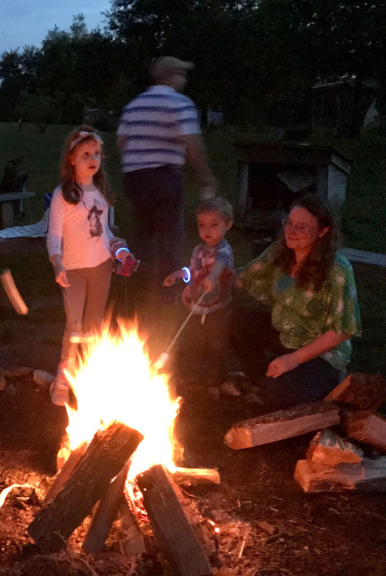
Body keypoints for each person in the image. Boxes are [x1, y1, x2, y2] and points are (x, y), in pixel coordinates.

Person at [232, 195, 361, 409]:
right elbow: (245, 277)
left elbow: (342, 330)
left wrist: (294, 359)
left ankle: (312, 384)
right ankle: (261, 377)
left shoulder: (337, 269)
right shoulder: (280, 251)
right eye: (289, 223)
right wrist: (212, 276)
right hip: (285, 336)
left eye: (301, 227)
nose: (291, 231)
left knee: (276, 393)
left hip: (321, 354)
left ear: (322, 231)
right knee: (234, 319)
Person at [117, 56, 218, 300]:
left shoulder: (134, 105)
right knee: (169, 238)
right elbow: (192, 142)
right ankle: (168, 294)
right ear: (171, 76)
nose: (184, 79)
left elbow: (121, 142)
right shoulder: (179, 103)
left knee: (140, 237)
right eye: (182, 74)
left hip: (134, 178)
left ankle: (133, 293)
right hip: (164, 177)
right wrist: (205, 177)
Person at [47, 126, 133, 406]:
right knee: (74, 326)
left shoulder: (102, 191)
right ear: (71, 158)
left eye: (96, 153)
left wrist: (118, 250)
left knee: (95, 326)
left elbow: (104, 231)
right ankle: (63, 379)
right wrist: (57, 263)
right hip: (73, 270)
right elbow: (54, 235)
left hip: (100, 268)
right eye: (85, 154)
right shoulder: (63, 195)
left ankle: (91, 379)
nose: (92, 158)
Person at [163, 197, 234, 385]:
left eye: (213, 225)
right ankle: (193, 375)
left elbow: (220, 265)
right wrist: (178, 275)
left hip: (217, 307)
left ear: (228, 224)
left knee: (216, 343)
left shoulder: (224, 251)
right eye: (202, 225)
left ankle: (215, 378)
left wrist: (212, 278)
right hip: (196, 306)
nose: (207, 230)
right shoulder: (198, 250)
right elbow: (193, 271)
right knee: (194, 341)